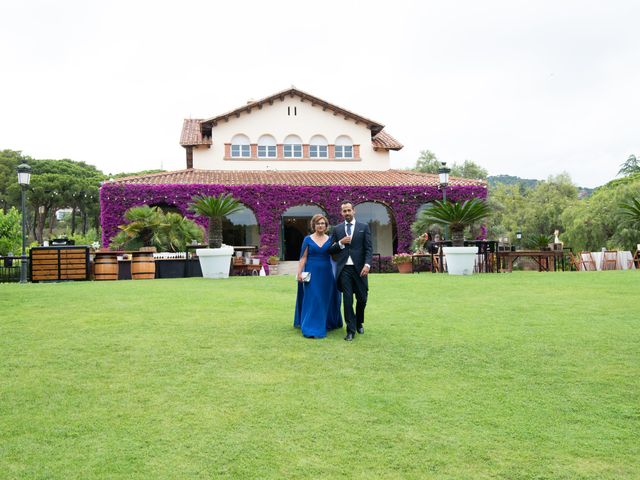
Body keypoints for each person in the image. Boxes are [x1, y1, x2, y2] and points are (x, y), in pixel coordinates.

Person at [328, 201, 372, 341]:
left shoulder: (363, 227)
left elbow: (368, 249)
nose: (346, 213)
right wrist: (341, 243)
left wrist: (367, 265)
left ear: (354, 211)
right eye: (344, 211)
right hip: (344, 269)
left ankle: (359, 322)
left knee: (362, 298)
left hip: (360, 269)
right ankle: (350, 330)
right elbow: (330, 249)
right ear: (341, 213)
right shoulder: (337, 229)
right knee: (347, 301)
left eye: (349, 210)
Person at [293, 214, 343, 338]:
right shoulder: (307, 239)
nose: (320, 226)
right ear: (313, 225)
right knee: (314, 298)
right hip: (312, 273)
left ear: (326, 226)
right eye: (318, 223)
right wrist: (299, 273)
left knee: (326, 298)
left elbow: (336, 256)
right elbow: (303, 258)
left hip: (326, 273)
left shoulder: (331, 239)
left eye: (322, 223)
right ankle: (312, 327)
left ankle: (327, 322)